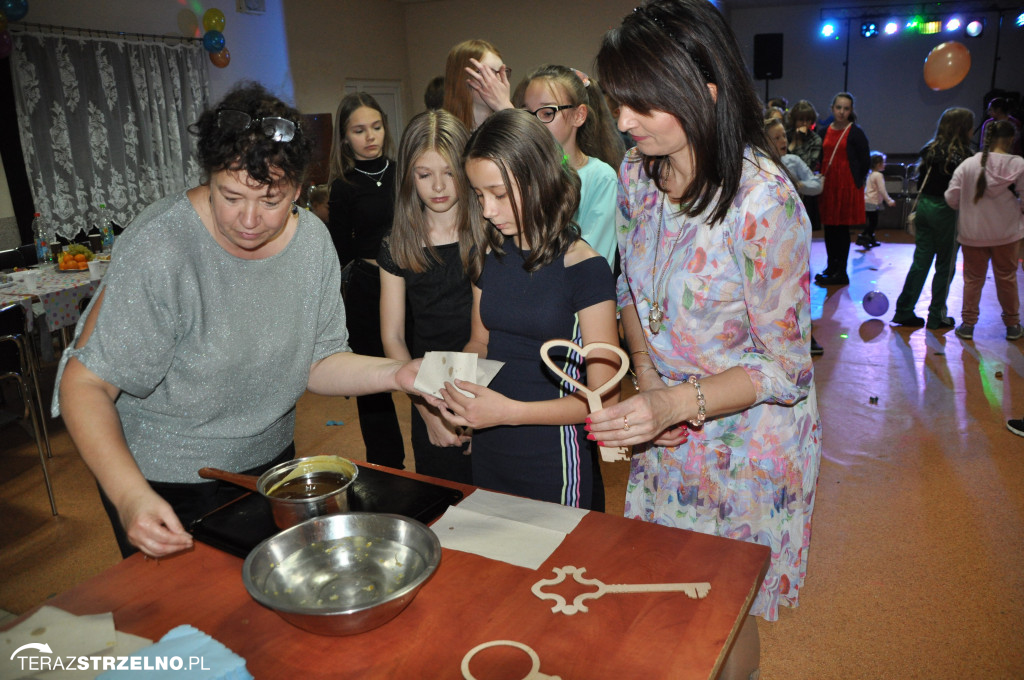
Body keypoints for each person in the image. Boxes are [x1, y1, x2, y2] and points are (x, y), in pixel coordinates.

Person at [54, 83, 423, 559]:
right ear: (209, 176)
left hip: (272, 470)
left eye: (272, 200)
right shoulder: (162, 245)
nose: (249, 219)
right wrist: (128, 497)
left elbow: (319, 361)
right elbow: (84, 386)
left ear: (299, 189)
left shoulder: (311, 243)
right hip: (163, 480)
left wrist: (395, 373)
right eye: (229, 196)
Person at [591, 3, 822, 678]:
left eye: (638, 102)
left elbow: (786, 371)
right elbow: (630, 287)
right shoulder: (640, 173)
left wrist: (675, 403)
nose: (623, 120)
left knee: (724, 606)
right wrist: (650, 382)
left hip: (749, 441)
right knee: (668, 588)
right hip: (673, 423)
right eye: (616, 100)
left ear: (705, 92)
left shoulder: (763, 202)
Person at [437, 108, 620, 511]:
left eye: (499, 195)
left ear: (539, 179)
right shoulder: (489, 254)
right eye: (480, 195)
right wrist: (453, 387)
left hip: (553, 452)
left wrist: (509, 412)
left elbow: (602, 399)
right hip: (491, 437)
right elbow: (480, 341)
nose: (487, 210)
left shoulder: (585, 268)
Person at [379, 110, 475, 484]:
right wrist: (428, 414)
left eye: (449, 172)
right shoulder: (396, 245)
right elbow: (393, 337)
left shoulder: (489, 233)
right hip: (427, 391)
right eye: (424, 175)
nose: (438, 186)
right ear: (408, 177)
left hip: (491, 387)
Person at [326, 92, 406, 468]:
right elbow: (341, 250)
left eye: (376, 127)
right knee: (373, 386)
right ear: (345, 137)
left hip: (411, 285)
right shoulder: (342, 186)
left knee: (427, 369)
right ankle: (388, 469)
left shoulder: (404, 171)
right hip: (366, 289)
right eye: (359, 130)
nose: (370, 136)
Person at [513, 64, 625, 267]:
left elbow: (593, 259)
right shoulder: (522, 174)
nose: (535, 123)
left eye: (547, 113)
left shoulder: (600, 177)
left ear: (579, 115)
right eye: (528, 114)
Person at [892, 107, 975, 329]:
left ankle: (904, 310)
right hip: (947, 211)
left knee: (921, 261)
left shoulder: (929, 149)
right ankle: (937, 315)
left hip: (925, 208)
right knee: (945, 265)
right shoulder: (965, 156)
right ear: (964, 128)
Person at [947, 120, 1024, 341]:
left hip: (973, 234)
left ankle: (968, 325)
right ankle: (1013, 325)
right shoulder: (1019, 164)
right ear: (1011, 140)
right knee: (1007, 278)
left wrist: (968, 207)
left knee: (973, 280)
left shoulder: (968, 165)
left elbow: (951, 198)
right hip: (1007, 235)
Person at [766, 117, 824, 356]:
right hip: (771, 235)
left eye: (783, 136)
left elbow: (816, 185)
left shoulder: (793, 161)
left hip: (796, 233)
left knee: (800, 284)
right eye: (776, 137)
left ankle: (805, 335)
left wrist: (799, 184)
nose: (782, 141)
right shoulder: (759, 166)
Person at [814, 92, 870, 286]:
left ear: (851, 111)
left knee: (841, 229)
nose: (842, 112)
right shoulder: (823, 131)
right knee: (829, 228)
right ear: (832, 108)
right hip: (829, 185)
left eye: (846, 108)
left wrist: (855, 183)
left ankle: (841, 271)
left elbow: (865, 162)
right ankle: (831, 267)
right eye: (839, 108)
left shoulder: (856, 132)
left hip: (846, 187)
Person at [443, 39, 513, 132]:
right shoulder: (444, 132)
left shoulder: (505, 129)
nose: (498, 80)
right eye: (486, 73)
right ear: (462, 77)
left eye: (502, 72)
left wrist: (505, 106)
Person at [786, 99, 823, 230]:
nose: (805, 123)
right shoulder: (785, 136)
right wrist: (793, 142)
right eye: (801, 120)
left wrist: (799, 143)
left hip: (805, 191)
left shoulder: (815, 139)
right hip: (786, 189)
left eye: (808, 120)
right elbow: (781, 160)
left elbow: (808, 164)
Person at [858, 152, 896, 248]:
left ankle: (870, 239)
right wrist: (889, 201)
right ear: (878, 164)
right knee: (873, 223)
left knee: (871, 222)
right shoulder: (878, 175)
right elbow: (882, 190)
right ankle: (863, 236)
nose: (885, 164)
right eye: (884, 162)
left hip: (867, 200)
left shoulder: (870, 174)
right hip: (872, 202)